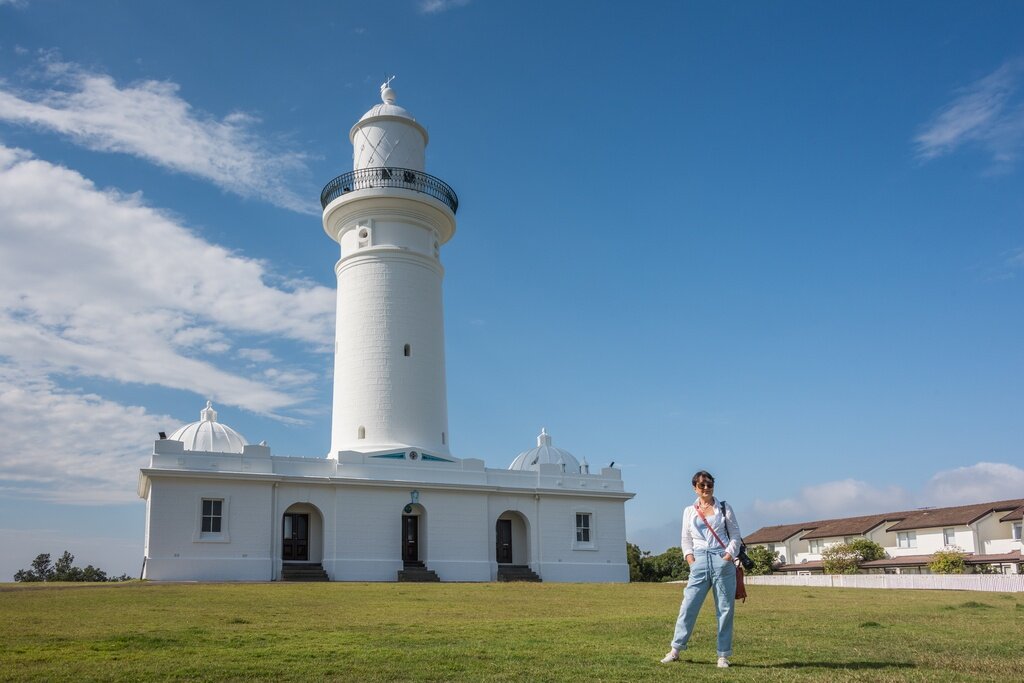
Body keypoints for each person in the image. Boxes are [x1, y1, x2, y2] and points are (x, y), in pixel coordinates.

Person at [661, 470, 742, 668]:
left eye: (709, 484)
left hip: (721, 559)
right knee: (688, 606)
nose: (706, 488)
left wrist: (727, 556)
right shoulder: (689, 510)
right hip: (699, 560)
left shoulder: (724, 508)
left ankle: (723, 655)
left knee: (725, 609)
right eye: (702, 485)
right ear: (694, 488)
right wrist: (690, 559)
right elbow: (685, 538)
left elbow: (735, 535)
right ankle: (675, 649)